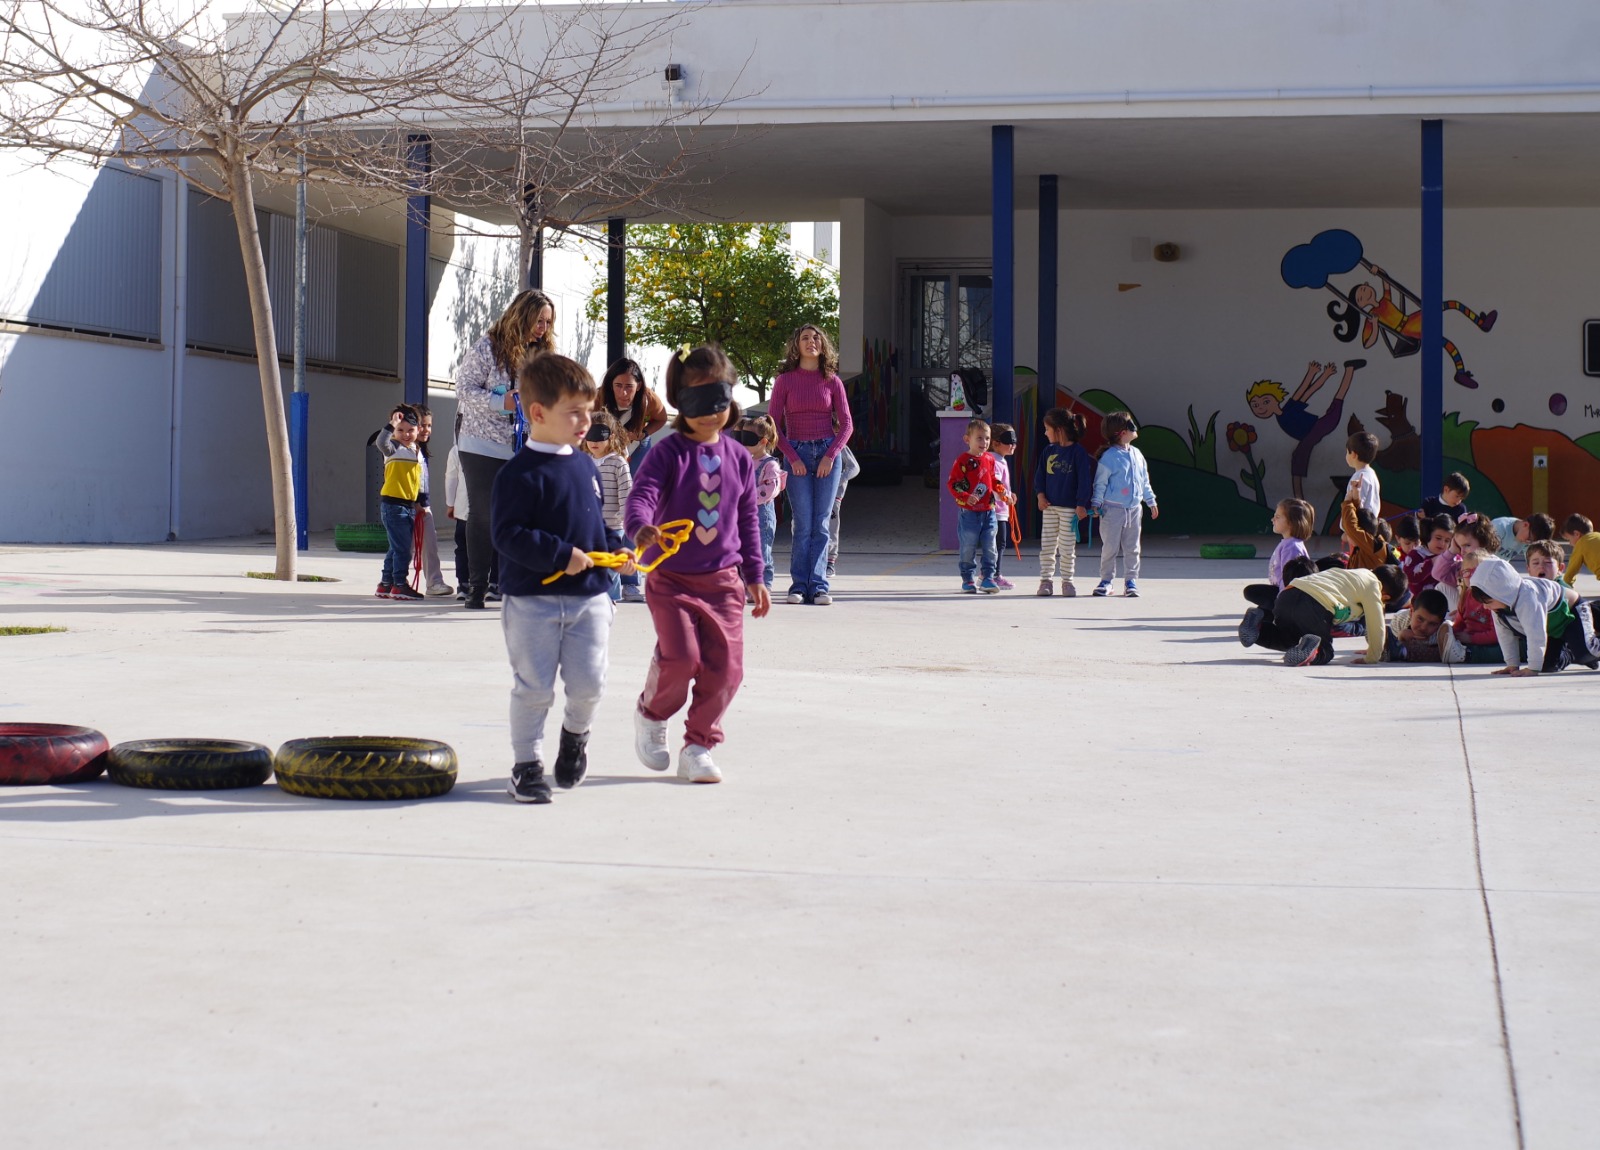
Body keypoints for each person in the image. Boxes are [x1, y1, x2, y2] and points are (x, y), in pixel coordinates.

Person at [626, 345, 770, 784]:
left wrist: (755, 575)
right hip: (671, 580)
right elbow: (642, 494)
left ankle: (699, 745)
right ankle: (651, 714)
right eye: (698, 401)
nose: (711, 412)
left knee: (727, 667)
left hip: (724, 581)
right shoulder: (667, 453)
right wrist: (641, 526)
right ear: (678, 401)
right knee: (682, 658)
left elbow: (748, 520)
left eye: (720, 401)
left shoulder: (741, 459)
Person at [490, 354, 619, 804]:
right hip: (532, 603)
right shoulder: (516, 475)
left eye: (589, 410)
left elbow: (596, 527)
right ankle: (526, 766)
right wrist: (560, 555)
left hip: (589, 600)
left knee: (590, 684)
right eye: (574, 412)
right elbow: (507, 535)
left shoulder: (586, 466)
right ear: (538, 413)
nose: (586, 421)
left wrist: (615, 549)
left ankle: (575, 736)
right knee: (534, 688)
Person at [455, 289, 556, 609]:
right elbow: (464, 387)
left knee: (523, 516)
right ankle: (476, 586)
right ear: (521, 314)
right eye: (538, 320)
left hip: (524, 445)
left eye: (547, 322)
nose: (542, 327)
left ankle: (512, 583)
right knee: (483, 514)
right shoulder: (489, 347)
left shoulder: (540, 353)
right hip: (481, 443)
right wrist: (502, 401)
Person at [768, 324, 854, 605]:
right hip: (797, 454)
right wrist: (792, 457)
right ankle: (798, 585)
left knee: (821, 523)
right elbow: (772, 427)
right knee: (802, 523)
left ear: (823, 346)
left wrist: (831, 455)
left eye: (816, 338)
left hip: (828, 454)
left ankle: (818, 585)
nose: (811, 342)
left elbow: (847, 425)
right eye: (804, 338)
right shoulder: (784, 381)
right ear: (796, 345)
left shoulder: (832, 381)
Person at [1238, 564, 1405, 667]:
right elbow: (1377, 625)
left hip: (1286, 596)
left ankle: (1258, 627)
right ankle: (1315, 652)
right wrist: (1372, 657)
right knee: (1326, 651)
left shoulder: (1352, 574)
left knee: (1288, 640)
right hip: (1315, 605)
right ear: (1385, 596)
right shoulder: (1374, 586)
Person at [1245, 359, 1364, 501]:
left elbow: (1307, 391)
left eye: (1265, 402)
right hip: (1311, 434)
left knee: (1335, 407)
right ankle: (1299, 497)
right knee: (1298, 455)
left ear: (1275, 399)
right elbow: (1306, 391)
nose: (1261, 407)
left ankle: (1349, 370)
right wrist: (1317, 373)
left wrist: (1319, 374)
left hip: (1316, 429)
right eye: (1255, 405)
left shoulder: (1288, 408)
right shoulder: (1283, 414)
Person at [1470, 555, 1599, 675]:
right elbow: (1505, 635)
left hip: (1572, 613)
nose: (1485, 607)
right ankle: (1579, 650)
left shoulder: (1528, 596)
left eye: (1488, 602)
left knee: (1588, 650)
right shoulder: (1498, 606)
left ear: (1503, 592)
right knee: (1547, 666)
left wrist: (1532, 668)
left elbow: (1535, 633)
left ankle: (1584, 650)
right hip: (1552, 628)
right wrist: (1512, 665)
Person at [1090, 410, 1158, 597]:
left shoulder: (1137, 454)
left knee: (1133, 547)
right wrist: (1096, 503)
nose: (1134, 427)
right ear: (1121, 432)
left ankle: (1131, 581)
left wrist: (1150, 500)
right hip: (1112, 511)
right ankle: (1106, 580)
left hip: (1134, 510)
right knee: (1110, 547)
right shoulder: (1109, 457)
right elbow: (1100, 482)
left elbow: (1144, 480)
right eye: (1130, 424)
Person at [1034, 408, 1096, 598]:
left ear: (1059, 429)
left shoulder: (1078, 452)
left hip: (1070, 510)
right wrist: (1040, 496)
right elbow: (1040, 476)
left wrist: (1081, 504)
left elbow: (1084, 481)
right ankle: (1046, 581)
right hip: (1050, 508)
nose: (1045, 433)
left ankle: (1067, 582)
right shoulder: (1048, 451)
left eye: (1047, 429)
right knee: (1048, 546)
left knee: (1067, 548)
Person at [582, 410, 635, 604]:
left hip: (613, 524)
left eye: (599, 436)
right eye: (590, 435)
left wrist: (625, 515)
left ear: (611, 437)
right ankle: (594, 596)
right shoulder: (583, 461)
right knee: (592, 562)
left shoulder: (617, 463)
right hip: (589, 525)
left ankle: (611, 598)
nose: (594, 442)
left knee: (611, 564)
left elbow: (626, 491)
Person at [946, 417, 1004, 594]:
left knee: (990, 546)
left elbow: (993, 479)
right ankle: (968, 579)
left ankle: (987, 578)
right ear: (967, 440)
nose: (984, 442)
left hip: (989, 511)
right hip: (969, 513)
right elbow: (953, 483)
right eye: (979, 438)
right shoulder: (962, 461)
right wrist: (965, 496)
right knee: (968, 546)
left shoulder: (990, 459)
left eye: (987, 438)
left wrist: (1001, 490)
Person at [375, 409, 424, 601]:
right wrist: (390, 425)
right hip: (393, 506)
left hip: (408, 505)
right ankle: (400, 584)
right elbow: (381, 442)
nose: (405, 435)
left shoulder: (415, 451)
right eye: (400, 430)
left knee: (396, 547)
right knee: (403, 549)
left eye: (410, 430)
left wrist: (419, 503)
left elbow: (417, 481)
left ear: (418, 430)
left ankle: (386, 583)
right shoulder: (392, 448)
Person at [734, 415, 784, 593]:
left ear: (763, 441)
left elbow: (770, 489)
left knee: (761, 552)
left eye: (747, 439)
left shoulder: (770, 465)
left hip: (761, 517)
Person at [597, 357, 668, 472]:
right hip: (605, 443)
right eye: (618, 385)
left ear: (639, 386)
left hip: (637, 443)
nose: (623, 393)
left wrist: (644, 433)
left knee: (636, 479)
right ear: (611, 384)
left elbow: (661, 418)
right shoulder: (599, 397)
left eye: (629, 386)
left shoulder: (649, 398)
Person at [1244, 498, 1315, 610]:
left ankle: (1273, 613)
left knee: (1251, 592)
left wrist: (1282, 600)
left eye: (1277, 517)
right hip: (1282, 590)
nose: (1273, 520)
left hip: (1288, 594)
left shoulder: (1292, 547)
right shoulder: (1288, 543)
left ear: (1292, 523)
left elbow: (1288, 579)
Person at [988, 424, 1021, 589]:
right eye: (1009, 441)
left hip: (1000, 509)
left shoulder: (999, 459)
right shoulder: (994, 460)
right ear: (995, 443)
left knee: (994, 543)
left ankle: (988, 573)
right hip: (997, 510)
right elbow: (995, 484)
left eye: (1015, 440)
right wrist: (1005, 496)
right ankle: (994, 575)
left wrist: (1009, 493)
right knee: (999, 543)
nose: (1013, 444)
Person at [1384, 588, 1453, 663]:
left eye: (1432, 624)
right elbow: (1392, 646)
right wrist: (1401, 636)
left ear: (1440, 623)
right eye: (1420, 619)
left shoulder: (1443, 632)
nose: (1424, 627)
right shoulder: (1399, 620)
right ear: (1411, 612)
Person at [825, 444, 861, 582]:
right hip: (815, 492)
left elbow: (854, 467)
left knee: (831, 527)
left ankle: (830, 562)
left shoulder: (840, 445)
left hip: (834, 496)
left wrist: (837, 481)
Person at [1344, 431, 1381, 520]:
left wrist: (1347, 528)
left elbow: (1357, 506)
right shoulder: (1372, 474)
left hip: (1358, 528)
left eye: (1347, 452)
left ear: (1353, 455)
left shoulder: (1359, 477)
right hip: (1370, 526)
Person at [1560, 513, 1600, 586]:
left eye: (1569, 539)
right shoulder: (1597, 535)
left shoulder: (1581, 544)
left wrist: (1565, 587)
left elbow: (1571, 571)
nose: (1569, 543)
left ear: (1576, 534)